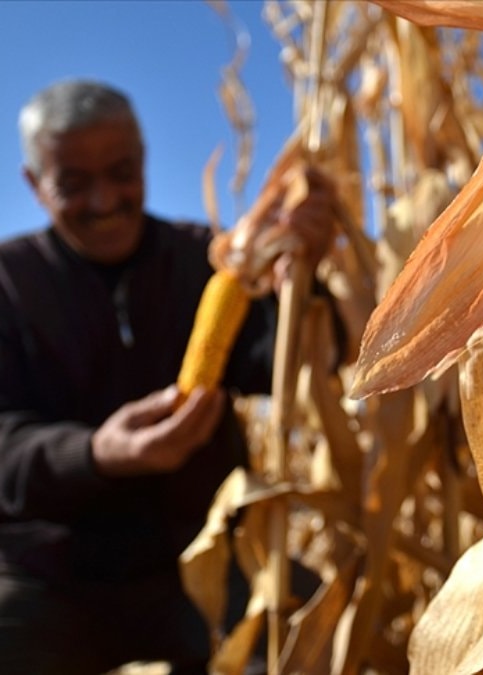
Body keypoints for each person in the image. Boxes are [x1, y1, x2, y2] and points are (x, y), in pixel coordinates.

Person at [0, 79, 336, 674]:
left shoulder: (201, 257)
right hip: (50, 571)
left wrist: (303, 282)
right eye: (73, 183)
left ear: (144, 160)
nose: (104, 201)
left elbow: (299, 364)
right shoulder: (10, 281)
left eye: (121, 172)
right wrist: (95, 454)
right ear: (33, 183)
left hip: (202, 549)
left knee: (309, 638)